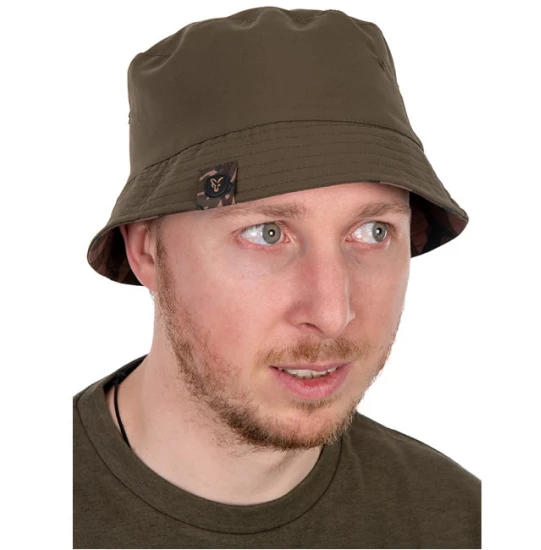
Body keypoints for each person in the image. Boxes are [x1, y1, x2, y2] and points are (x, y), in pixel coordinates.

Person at [74, 6, 481, 548]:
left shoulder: (463, 523)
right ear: (148, 250)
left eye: (373, 232)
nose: (332, 313)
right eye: (266, 233)